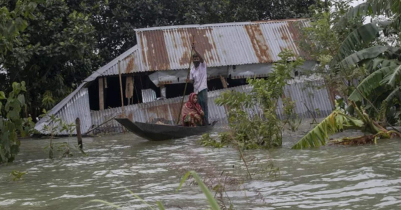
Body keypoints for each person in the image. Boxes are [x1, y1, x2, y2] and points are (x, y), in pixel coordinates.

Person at [188, 44, 208, 125]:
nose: (196, 60)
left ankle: (206, 122)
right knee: (197, 108)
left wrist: (195, 49)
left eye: (197, 58)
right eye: (194, 58)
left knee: (204, 106)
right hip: (196, 91)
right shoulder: (192, 69)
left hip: (202, 89)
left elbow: (202, 58)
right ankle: (199, 123)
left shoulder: (202, 66)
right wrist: (188, 81)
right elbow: (192, 81)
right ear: (192, 60)